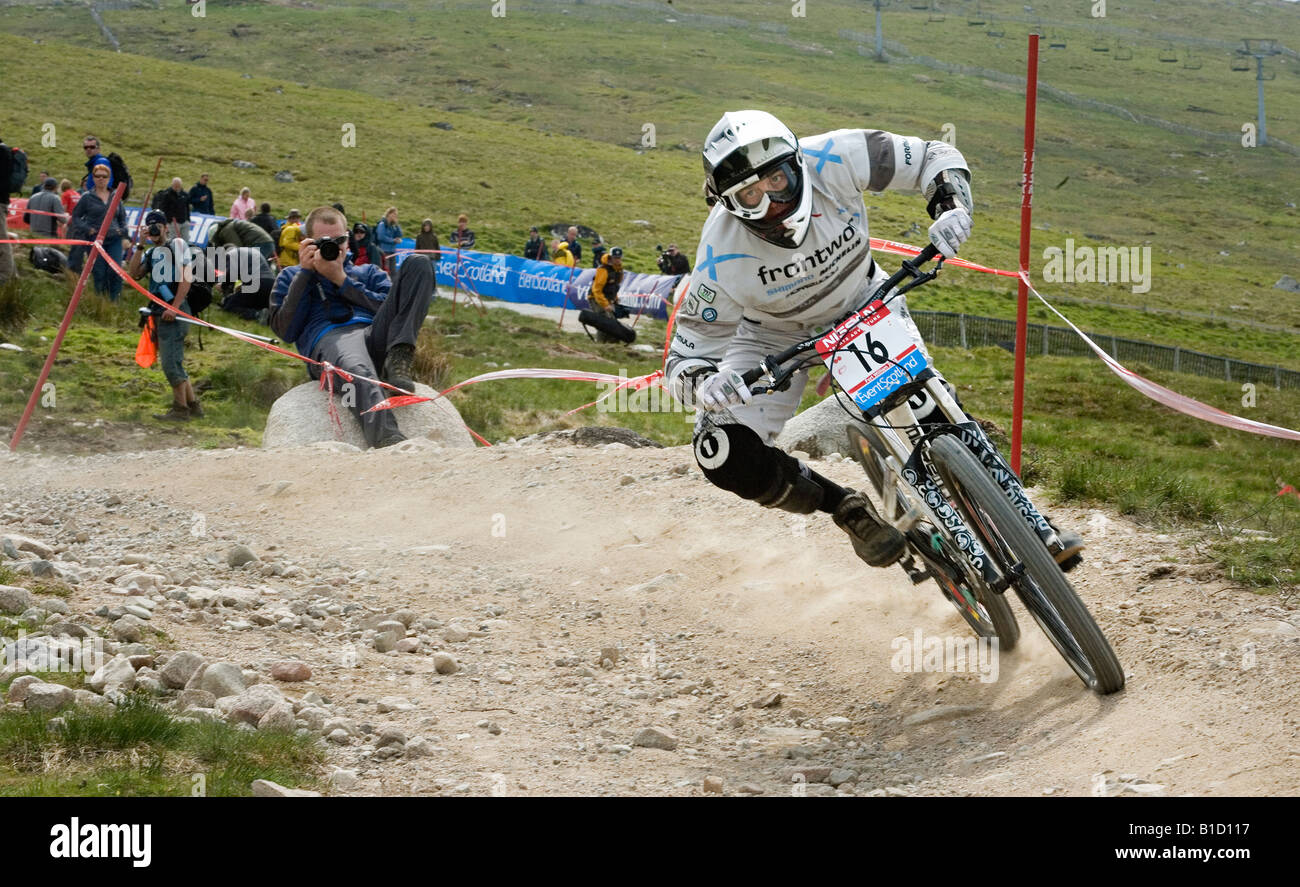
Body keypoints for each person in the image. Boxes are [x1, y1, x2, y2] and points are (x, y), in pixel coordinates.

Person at [665, 110, 1083, 572]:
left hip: (861, 299)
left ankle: (1026, 518)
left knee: (928, 402)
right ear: (728, 203)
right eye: (750, 195)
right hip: (772, 337)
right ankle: (845, 508)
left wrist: (951, 206)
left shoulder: (837, 154)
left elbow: (935, 156)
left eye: (777, 180)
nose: (772, 203)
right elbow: (685, 356)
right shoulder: (716, 255)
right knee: (719, 452)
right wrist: (706, 382)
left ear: (797, 162)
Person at [268, 205, 436, 449]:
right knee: (357, 367)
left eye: (339, 240)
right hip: (330, 343)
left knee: (419, 263)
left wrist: (342, 281)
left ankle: (399, 357)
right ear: (308, 242)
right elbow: (285, 331)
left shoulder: (367, 272)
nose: (333, 247)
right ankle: (388, 440)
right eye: (324, 241)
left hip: (376, 335)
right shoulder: (291, 277)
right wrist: (304, 274)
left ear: (348, 239)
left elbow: (394, 308)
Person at [127, 210, 202, 421]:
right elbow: (134, 275)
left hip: (175, 312)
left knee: (170, 363)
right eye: (149, 226)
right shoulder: (151, 253)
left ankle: (180, 411)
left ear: (165, 227)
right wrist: (140, 245)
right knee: (174, 360)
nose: (153, 229)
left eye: (156, 226)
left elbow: (187, 277)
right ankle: (193, 406)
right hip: (160, 312)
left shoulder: (177, 245)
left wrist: (175, 307)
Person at [68, 162, 127, 300]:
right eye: (97, 176)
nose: (101, 179)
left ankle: (114, 302)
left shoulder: (116, 197)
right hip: (95, 239)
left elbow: (122, 218)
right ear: (93, 178)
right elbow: (76, 217)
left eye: (104, 176)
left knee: (115, 271)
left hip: (114, 239)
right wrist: (87, 229)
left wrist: (122, 232)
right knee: (99, 272)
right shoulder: (87, 197)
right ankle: (99, 302)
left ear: (109, 178)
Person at [587, 246, 634, 342]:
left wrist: (615, 299)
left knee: (612, 322)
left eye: (619, 258)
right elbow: (597, 290)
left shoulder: (619, 270)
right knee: (604, 321)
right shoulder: (603, 270)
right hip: (596, 298)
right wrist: (605, 305)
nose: (617, 260)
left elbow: (614, 286)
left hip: (608, 299)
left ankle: (612, 343)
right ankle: (600, 343)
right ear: (611, 257)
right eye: (615, 258)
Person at [209, 216, 275, 261]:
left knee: (250, 267)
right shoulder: (229, 226)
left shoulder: (226, 230)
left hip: (259, 243)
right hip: (267, 242)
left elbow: (238, 248)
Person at [0, 135, 14, 283]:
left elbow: (3, 181)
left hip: (0, 202)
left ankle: (6, 277)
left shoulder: (3, 152)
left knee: (2, 240)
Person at [374, 206, 402, 271]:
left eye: (396, 215)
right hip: (384, 251)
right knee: (386, 270)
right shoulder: (382, 224)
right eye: (394, 214)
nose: (395, 216)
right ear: (389, 214)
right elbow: (380, 237)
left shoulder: (393, 226)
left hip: (392, 251)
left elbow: (399, 234)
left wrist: (397, 224)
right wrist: (393, 240)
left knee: (393, 271)